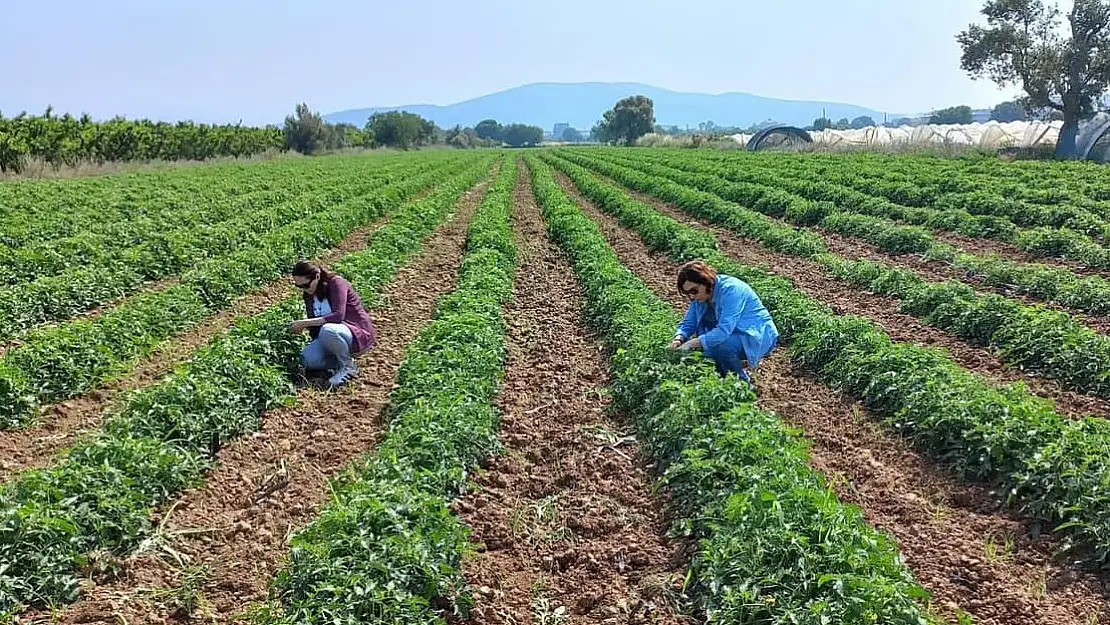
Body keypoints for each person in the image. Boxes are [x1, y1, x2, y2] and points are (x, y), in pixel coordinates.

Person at [667, 260, 779, 383]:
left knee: (716, 346)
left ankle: (741, 384)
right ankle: (723, 379)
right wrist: (678, 340)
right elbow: (689, 323)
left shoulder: (731, 290)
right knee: (705, 350)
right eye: (688, 294)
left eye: (694, 291)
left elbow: (723, 331)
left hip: (755, 335)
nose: (692, 297)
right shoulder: (700, 299)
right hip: (731, 336)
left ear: (705, 282)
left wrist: (690, 343)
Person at [288, 260, 377, 388]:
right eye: (299, 286)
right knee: (305, 359)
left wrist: (304, 323)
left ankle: (348, 366)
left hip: (355, 334)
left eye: (306, 285)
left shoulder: (336, 283)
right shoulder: (308, 295)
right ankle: (338, 365)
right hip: (332, 336)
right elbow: (315, 329)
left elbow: (338, 315)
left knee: (328, 330)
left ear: (317, 276)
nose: (304, 289)